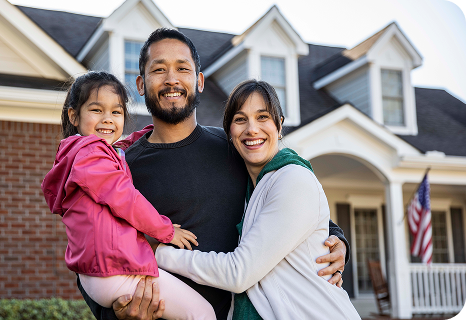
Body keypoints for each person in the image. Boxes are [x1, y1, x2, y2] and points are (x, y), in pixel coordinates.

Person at [79, 28, 350, 320]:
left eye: (182, 68)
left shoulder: (235, 146)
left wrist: (337, 239)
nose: (172, 79)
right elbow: (87, 246)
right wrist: (115, 314)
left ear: (199, 81)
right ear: (141, 84)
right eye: (159, 69)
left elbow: (290, 205)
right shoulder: (119, 168)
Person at [154, 79, 361, 319]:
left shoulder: (293, 178)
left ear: (279, 125)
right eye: (240, 119)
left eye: (262, 117)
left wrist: (157, 252)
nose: (252, 129)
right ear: (229, 132)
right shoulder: (247, 187)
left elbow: (239, 273)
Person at [41, 71, 216, 320]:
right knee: (202, 313)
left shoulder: (81, 154)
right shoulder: (91, 157)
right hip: (115, 269)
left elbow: (117, 150)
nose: (108, 119)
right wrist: (166, 230)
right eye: (96, 110)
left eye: (116, 112)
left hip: (96, 273)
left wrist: (143, 136)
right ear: (74, 116)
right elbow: (127, 199)